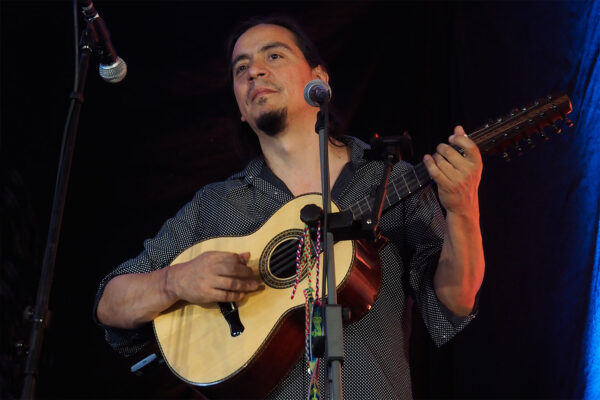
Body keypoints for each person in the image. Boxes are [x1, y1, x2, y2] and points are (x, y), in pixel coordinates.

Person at [94, 16, 484, 399]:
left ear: (320, 78)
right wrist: (173, 281)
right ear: (240, 111)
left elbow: (454, 300)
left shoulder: (386, 179)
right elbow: (110, 302)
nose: (254, 72)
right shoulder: (216, 204)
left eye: (274, 56)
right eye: (241, 68)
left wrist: (463, 209)